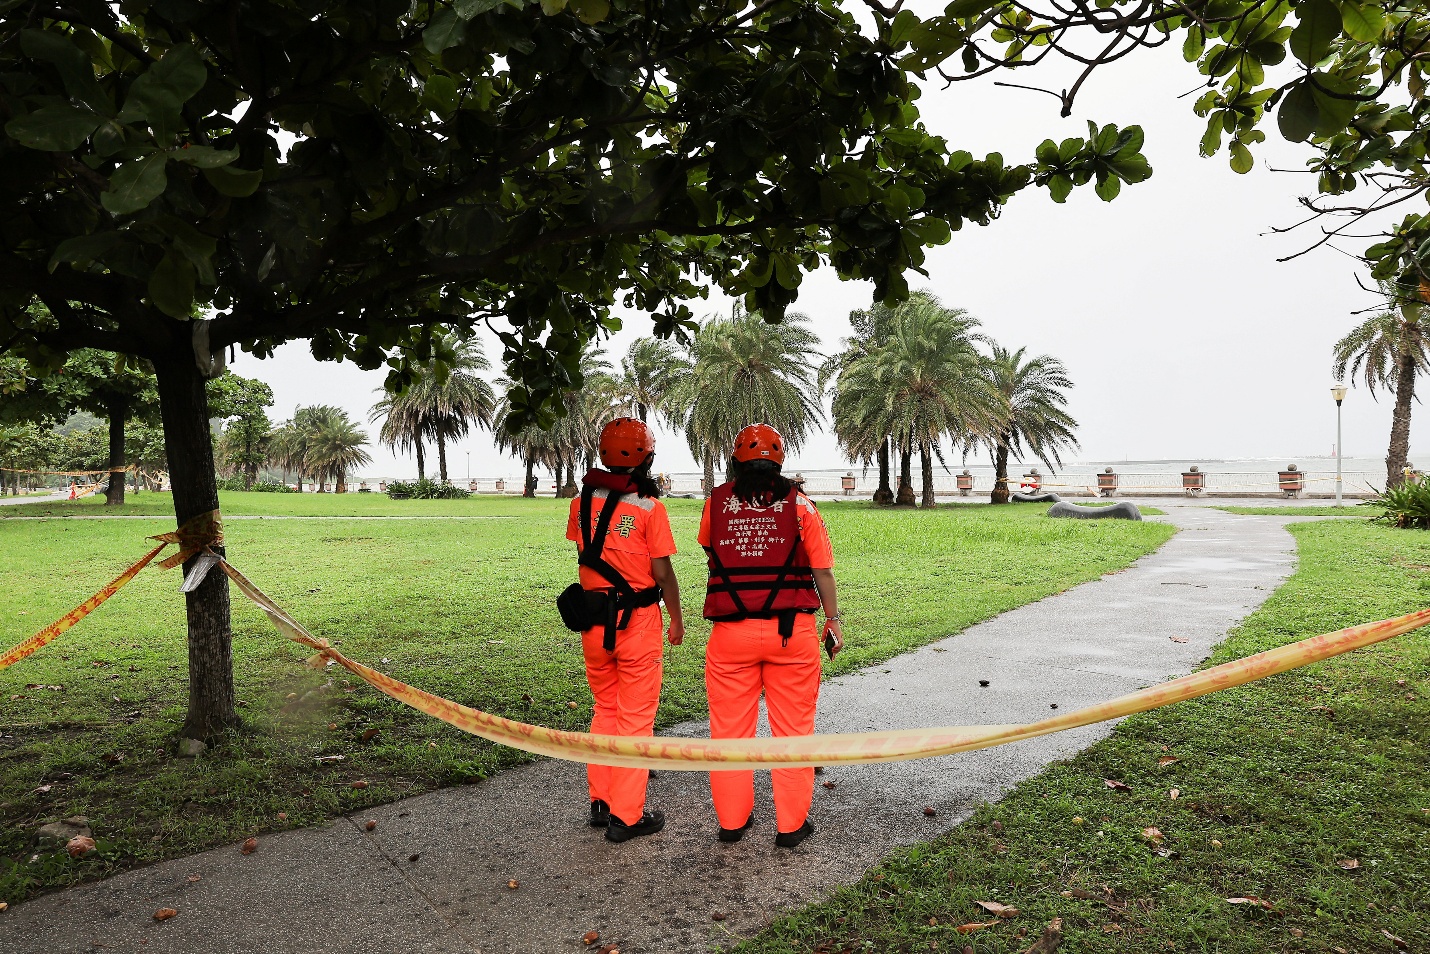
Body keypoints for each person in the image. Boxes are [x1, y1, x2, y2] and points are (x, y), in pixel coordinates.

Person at [698, 423, 843, 848]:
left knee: (728, 732)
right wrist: (832, 619)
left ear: (736, 462)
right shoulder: (802, 506)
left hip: (730, 635)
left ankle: (731, 823)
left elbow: (711, 549)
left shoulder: (715, 504)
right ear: (779, 461)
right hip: (791, 635)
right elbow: (822, 571)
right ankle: (790, 826)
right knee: (794, 731)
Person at [565, 417, 684, 842]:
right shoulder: (650, 508)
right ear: (646, 457)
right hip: (637, 623)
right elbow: (663, 572)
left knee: (605, 709)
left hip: (594, 624)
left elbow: (585, 553)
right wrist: (676, 616)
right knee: (635, 720)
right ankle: (627, 817)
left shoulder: (580, 503)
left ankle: (600, 802)